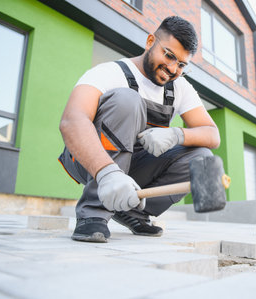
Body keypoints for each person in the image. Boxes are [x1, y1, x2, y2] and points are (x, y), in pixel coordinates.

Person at [58, 16, 220, 243]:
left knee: (202, 157)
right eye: (169, 55)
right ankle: (93, 213)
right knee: (127, 100)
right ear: (150, 41)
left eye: (181, 65)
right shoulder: (109, 72)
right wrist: (108, 172)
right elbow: (72, 121)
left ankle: (132, 209)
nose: (173, 69)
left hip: (134, 166)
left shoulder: (180, 88)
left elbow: (212, 134)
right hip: (90, 160)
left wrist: (177, 134)